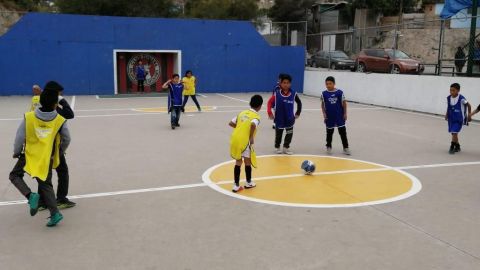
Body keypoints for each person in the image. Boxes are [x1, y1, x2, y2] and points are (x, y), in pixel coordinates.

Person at [9, 88, 71, 227]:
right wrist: (59, 152)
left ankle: (30, 196)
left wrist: (16, 151)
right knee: (45, 183)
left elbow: (19, 137)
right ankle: (55, 214)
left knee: (14, 175)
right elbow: (67, 139)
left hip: (29, 154)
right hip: (47, 156)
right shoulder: (60, 120)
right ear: (56, 104)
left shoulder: (29, 117)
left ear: (40, 101)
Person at [229, 95, 263, 193]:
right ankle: (248, 182)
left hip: (235, 138)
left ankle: (236, 185)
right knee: (247, 161)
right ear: (260, 106)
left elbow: (230, 123)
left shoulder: (242, 113)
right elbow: (253, 125)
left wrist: (240, 128)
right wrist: (251, 136)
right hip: (245, 141)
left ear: (250, 103)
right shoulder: (256, 117)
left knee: (238, 162)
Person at [267, 74, 302, 155]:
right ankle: (277, 147)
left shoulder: (294, 93)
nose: (286, 84)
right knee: (278, 134)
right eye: (284, 82)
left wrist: (298, 112)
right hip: (279, 118)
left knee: (289, 134)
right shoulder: (277, 93)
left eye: (288, 83)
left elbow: (299, 102)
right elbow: (269, 102)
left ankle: (286, 147)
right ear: (280, 83)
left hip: (290, 118)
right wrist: (269, 112)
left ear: (290, 84)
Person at [321, 76, 350, 155]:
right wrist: (324, 114)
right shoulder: (324, 94)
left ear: (334, 84)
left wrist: (345, 113)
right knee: (329, 133)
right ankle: (329, 146)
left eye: (330, 84)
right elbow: (322, 105)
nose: (328, 85)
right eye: (327, 84)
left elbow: (344, 103)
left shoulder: (339, 92)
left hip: (339, 116)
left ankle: (346, 147)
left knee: (343, 132)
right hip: (329, 117)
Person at [445, 83, 471, 154]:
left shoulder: (461, 98)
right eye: (450, 90)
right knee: (453, 133)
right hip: (451, 118)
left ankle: (452, 147)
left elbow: (469, 105)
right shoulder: (449, 98)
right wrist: (446, 114)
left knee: (454, 132)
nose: (451, 92)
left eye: (453, 90)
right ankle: (457, 146)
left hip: (459, 119)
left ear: (458, 90)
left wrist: (469, 114)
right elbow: (449, 107)